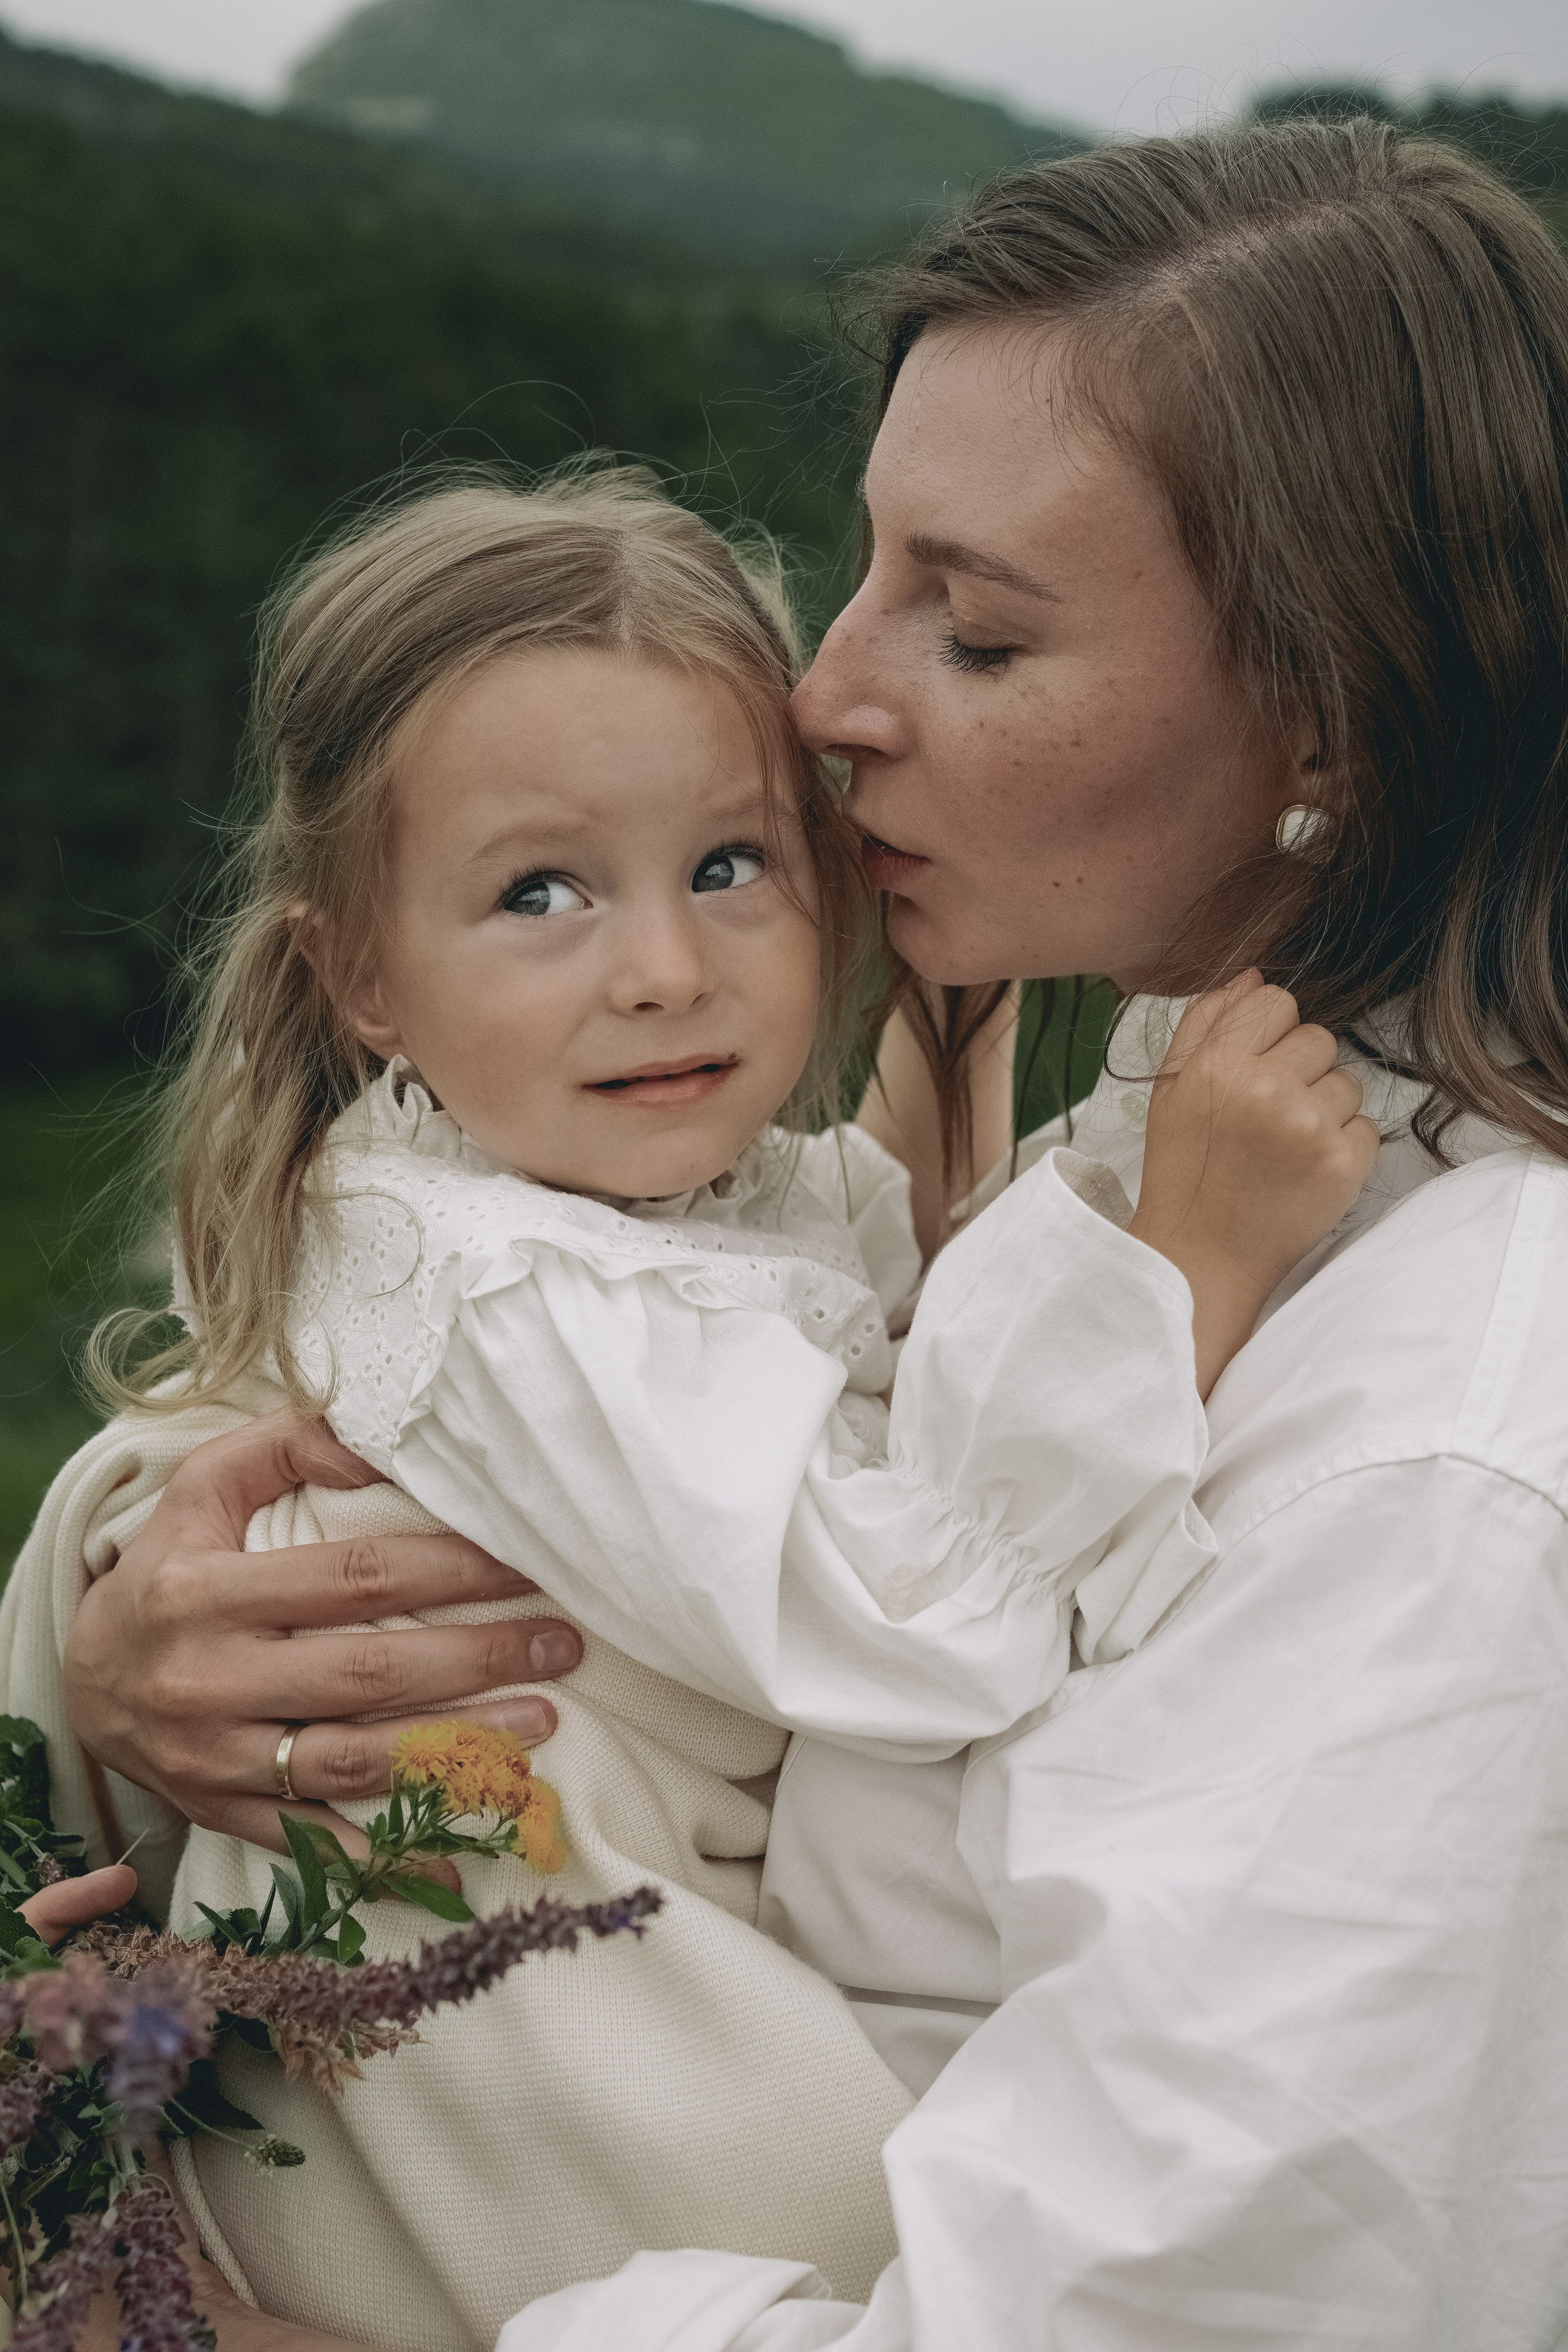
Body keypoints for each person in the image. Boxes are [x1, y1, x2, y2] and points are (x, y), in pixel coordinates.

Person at [39, 110, 1568, 2347]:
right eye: (866, 567)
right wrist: (129, 1629)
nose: (825, 697)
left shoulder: (1445, 1463)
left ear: (1329, 716)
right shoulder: (1155, 1142)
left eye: (976, 629)